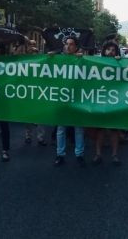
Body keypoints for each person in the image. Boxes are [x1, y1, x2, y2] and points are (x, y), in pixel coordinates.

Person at [53, 36, 86, 167]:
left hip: (78, 99)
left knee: (79, 128)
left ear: (76, 47)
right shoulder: (59, 59)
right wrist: (51, 57)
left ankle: (79, 154)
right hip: (62, 98)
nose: (68, 46)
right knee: (61, 128)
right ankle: (60, 154)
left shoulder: (82, 60)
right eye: (66, 44)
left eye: (71, 44)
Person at [92, 41, 122, 166]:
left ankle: (114, 155)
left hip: (115, 101)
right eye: (108, 49)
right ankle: (98, 154)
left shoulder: (120, 62)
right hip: (101, 100)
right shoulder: (96, 63)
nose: (111, 52)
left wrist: (120, 62)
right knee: (100, 130)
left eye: (113, 50)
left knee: (114, 130)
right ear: (103, 51)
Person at [24, 39, 47, 146]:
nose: (32, 47)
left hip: (39, 93)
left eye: (34, 45)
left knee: (40, 117)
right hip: (28, 93)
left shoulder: (41, 63)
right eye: (30, 45)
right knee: (28, 116)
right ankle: (28, 136)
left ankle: (40, 138)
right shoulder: (23, 62)